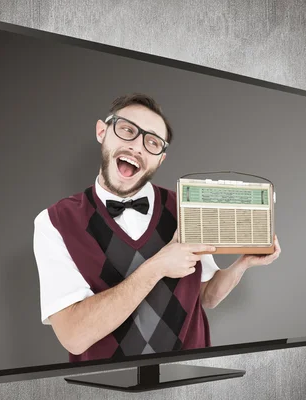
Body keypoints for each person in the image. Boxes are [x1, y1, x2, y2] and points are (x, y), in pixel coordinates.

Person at [33, 93, 281, 363]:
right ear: (102, 132)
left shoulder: (186, 207)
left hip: (190, 380)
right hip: (110, 386)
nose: (137, 147)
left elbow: (206, 296)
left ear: (161, 159)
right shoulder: (55, 221)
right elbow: (75, 336)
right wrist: (158, 266)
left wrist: (243, 263)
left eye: (152, 142)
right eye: (127, 130)